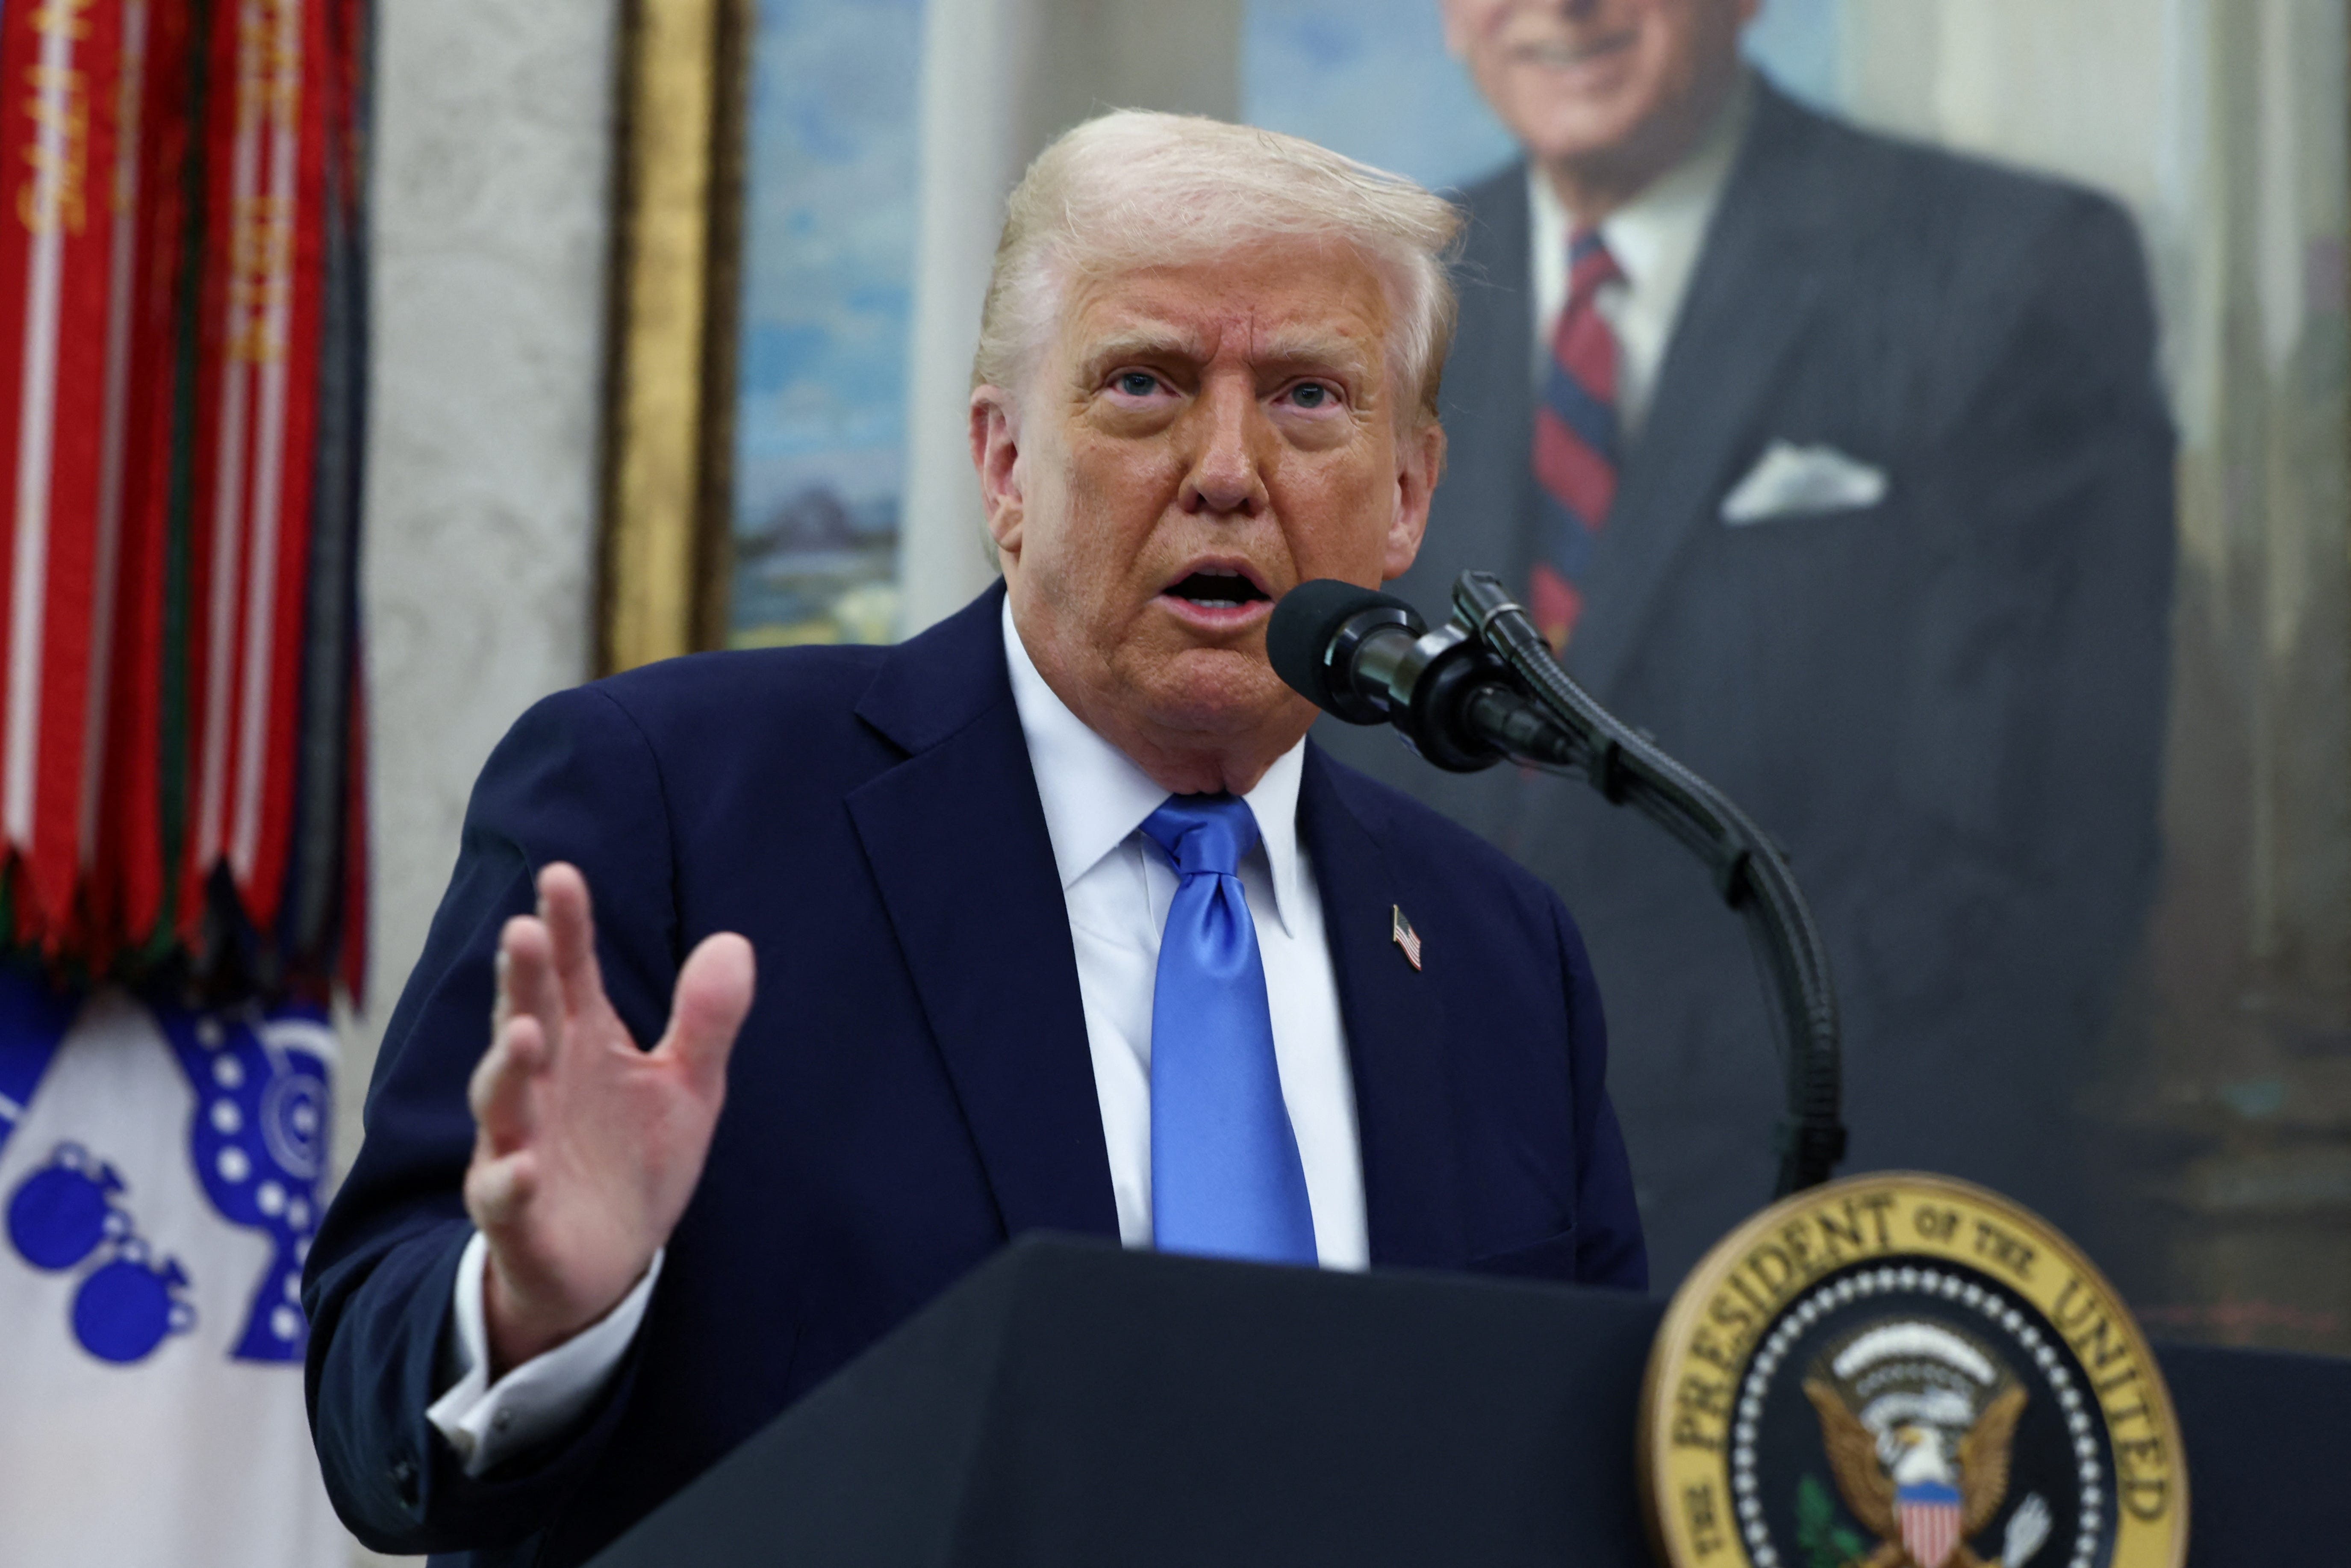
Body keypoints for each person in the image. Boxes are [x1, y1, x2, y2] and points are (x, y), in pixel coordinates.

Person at [303, 112, 1647, 1566]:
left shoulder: (1502, 953)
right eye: (1144, 383)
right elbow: (376, 1410)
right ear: (1004, 463)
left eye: (1310, 398)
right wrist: (532, 1311)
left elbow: (1575, 1474)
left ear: (1404, 497)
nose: (1226, 468)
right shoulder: (671, 802)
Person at [1320, 0, 2175, 1283]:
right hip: (1423, 1237)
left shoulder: (2011, 267)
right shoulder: (1365, 299)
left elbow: (2031, 871)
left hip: (1840, 1228)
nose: (1561, 9)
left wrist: (1593, 1071)